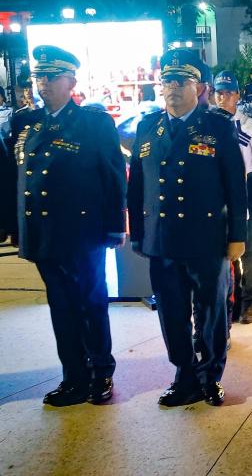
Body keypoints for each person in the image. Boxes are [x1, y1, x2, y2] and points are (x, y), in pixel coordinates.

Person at [128, 49, 246, 407]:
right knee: (170, 311)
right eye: (168, 81)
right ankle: (184, 374)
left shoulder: (218, 126)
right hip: (161, 238)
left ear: (201, 88)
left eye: (182, 81)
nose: (173, 88)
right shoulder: (148, 127)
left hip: (206, 238)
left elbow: (235, 185)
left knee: (210, 312)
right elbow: (136, 187)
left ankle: (210, 376)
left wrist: (237, 236)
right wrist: (138, 234)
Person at [14, 45, 126, 406]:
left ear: (71, 82)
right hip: (43, 234)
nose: (43, 84)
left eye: (51, 77)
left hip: (82, 233)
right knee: (61, 308)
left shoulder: (93, 123)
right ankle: (74, 377)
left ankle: (100, 372)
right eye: (38, 77)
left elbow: (113, 178)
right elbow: (19, 179)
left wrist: (115, 226)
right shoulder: (28, 123)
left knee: (91, 303)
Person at [213, 70, 252, 325]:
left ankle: (249, 302)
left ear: (237, 95)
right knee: (226, 249)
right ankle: (231, 302)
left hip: (248, 185)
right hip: (219, 188)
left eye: (228, 93)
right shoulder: (207, 125)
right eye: (219, 93)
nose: (223, 98)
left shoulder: (250, 125)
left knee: (251, 248)